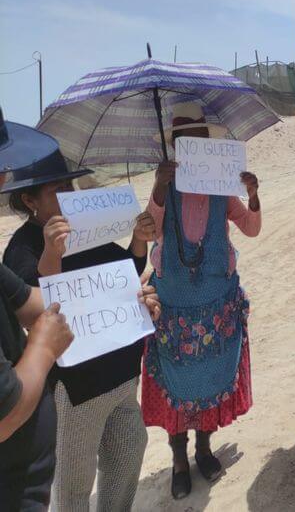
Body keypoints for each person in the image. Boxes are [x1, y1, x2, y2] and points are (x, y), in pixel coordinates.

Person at [0, 108, 160, 511]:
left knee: (128, 455)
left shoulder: (88, 229)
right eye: (56, 191)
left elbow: (123, 274)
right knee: (73, 487)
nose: (67, 198)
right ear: (29, 199)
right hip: (76, 390)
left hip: (123, 374)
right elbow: (40, 313)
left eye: (69, 188)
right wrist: (53, 253)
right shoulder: (22, 249)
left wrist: (139, 244)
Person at [140, 102, 261, 499]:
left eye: (199, 138)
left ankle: (205, 447)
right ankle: (179, 459)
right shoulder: (165, 187)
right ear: (176, 144)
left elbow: (252, 228)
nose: (192, 144)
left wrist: (253, 195)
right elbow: (147, 232)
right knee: (176, 380)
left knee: (210, 376)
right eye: (184, 139)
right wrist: (159, 186)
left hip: (215, 305)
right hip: (174, 306)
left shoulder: (222, 187)